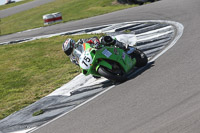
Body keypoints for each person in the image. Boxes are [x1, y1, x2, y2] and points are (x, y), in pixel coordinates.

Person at [62, 36, 135, 66]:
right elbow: (81, 66)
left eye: (68, 50)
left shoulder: (80, 42)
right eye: (67, 52)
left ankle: (123, 46)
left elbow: (92, 39)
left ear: (72, 45)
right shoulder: (73, 59)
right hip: (92, 61)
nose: (68, 52)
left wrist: (96, 43)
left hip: (97, 49)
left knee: (104, 39)